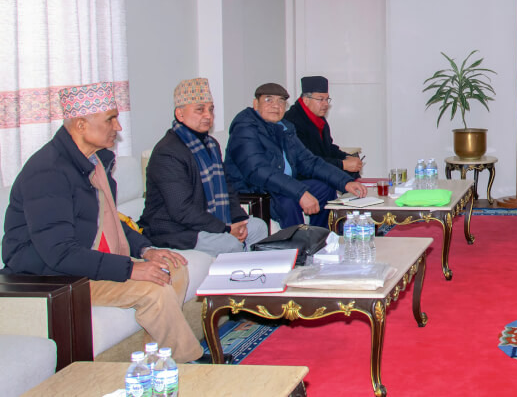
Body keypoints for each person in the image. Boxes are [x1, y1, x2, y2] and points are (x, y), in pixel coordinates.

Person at [1, 83, 202, 362]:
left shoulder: (94, 162)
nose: (118, 127)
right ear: (81, 125)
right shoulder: (48, 172)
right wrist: (130, 268)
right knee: (154, 288)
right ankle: (188, 363)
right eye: (110, 119)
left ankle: (155, 360)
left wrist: (146, 251)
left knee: (173, 267)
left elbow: (109, 219)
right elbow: (59, 253)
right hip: (54, 276)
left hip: (85, 260)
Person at [139, 78, 269, 256]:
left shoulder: (211, 144)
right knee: (229, 244)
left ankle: (252, 270)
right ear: (180, 114)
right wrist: (225, 228)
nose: (208, 115)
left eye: (211, 109)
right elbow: (181, 210)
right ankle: (240, 271)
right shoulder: (167, 153)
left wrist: (238, 219)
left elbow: (227, 188)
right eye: (200, 109)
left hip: (207, 220)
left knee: (257, 227)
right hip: (174, 229)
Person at [226, 83, 367, 229]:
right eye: (269, 100)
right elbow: (259, 171)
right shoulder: (245, 129)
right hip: (258, 191)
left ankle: (321, 235)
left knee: (325, 189)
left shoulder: (285, 127)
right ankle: (298, 241)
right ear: (256, 104)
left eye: (281, 101)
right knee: (289, 201)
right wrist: (300, 193)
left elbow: (309, 161)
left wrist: (345, 182)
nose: (276, 106)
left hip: (281, 187)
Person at [282, 76, 364, 178]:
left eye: (327, 99)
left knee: (352, 172)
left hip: (319, 169)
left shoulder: (319, 118)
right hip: (303, 176)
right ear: (306, 100)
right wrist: (342, 164)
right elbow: (307, 161)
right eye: (321, 99)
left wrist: (347, 157)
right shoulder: (292, 121)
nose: (326, 104)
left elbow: (328, 148)